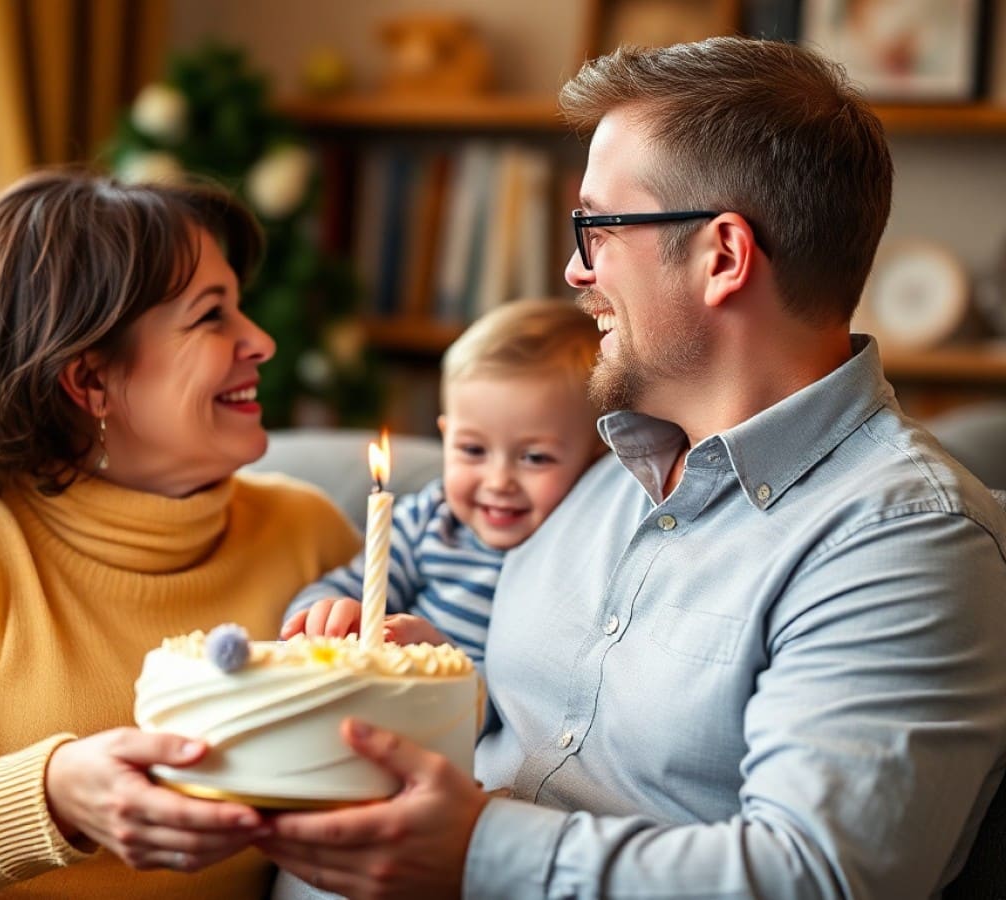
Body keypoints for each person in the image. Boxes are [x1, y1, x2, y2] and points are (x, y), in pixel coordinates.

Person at [259, 36, 1006, 899]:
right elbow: (525, 707)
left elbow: (814, 878)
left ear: (722, 257)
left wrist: (472, 851)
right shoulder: (590, 466)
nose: (574, 269)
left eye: (598, 227)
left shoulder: (906, 540)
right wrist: (429, 683)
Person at [0, 170, 361, 899]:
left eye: (242, 307)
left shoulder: (305, 529)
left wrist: (422, 673)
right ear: (90, 382)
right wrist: (57, 796)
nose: (260, 340)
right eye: (210, 316)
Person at [280, 298, 604, 662]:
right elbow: (347, 585)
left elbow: (536, 702)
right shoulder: (429, 519)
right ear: (446, 437)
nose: (498, 482)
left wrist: (446, 663)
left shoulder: (582, 557)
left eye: (534, 457)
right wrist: (327, 613)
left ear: (597, 458)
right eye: (472, 450)